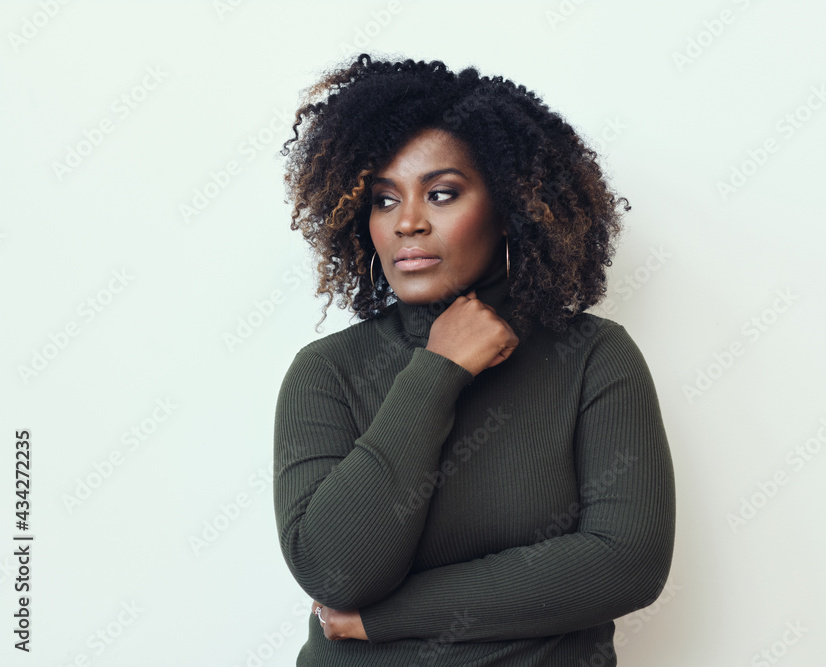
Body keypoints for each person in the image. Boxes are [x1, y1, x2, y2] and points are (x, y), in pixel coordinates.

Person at [273, 53, 675, 666]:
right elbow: (336, 573)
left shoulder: (592, 357)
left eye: (440, 194)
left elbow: (624, 565)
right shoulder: (327, 372)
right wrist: (438, 370)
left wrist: (384, 620)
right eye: (384, 200)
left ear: (511, 206)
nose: (408, 222)